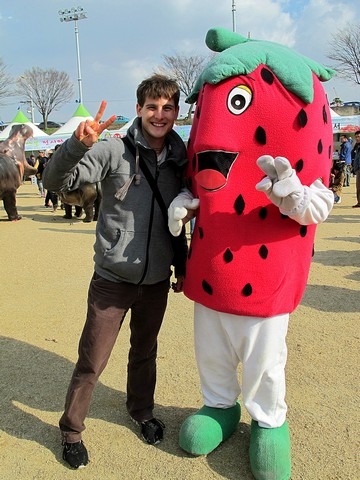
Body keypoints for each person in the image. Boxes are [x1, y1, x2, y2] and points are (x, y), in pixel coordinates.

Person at [43, 74, 188, 469]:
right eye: (152, 107)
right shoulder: (112, 151)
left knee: (145, 352)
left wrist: (183, 266)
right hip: (112, 279)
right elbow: (54, 181)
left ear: (177, 112)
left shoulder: (181, 158)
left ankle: (141, 410)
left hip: (156, 279)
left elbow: (186, 212)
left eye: (168, 107)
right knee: (92, 359)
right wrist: (77, 144)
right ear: (139, 109)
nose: (160, 115)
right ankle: (72, 430)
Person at [351, 130, 360, 208]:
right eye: (356, 137)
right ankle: (359, 202)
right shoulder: (356, 146)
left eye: (359, 137)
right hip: (358, 168)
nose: (357, 138)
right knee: (358, 186)